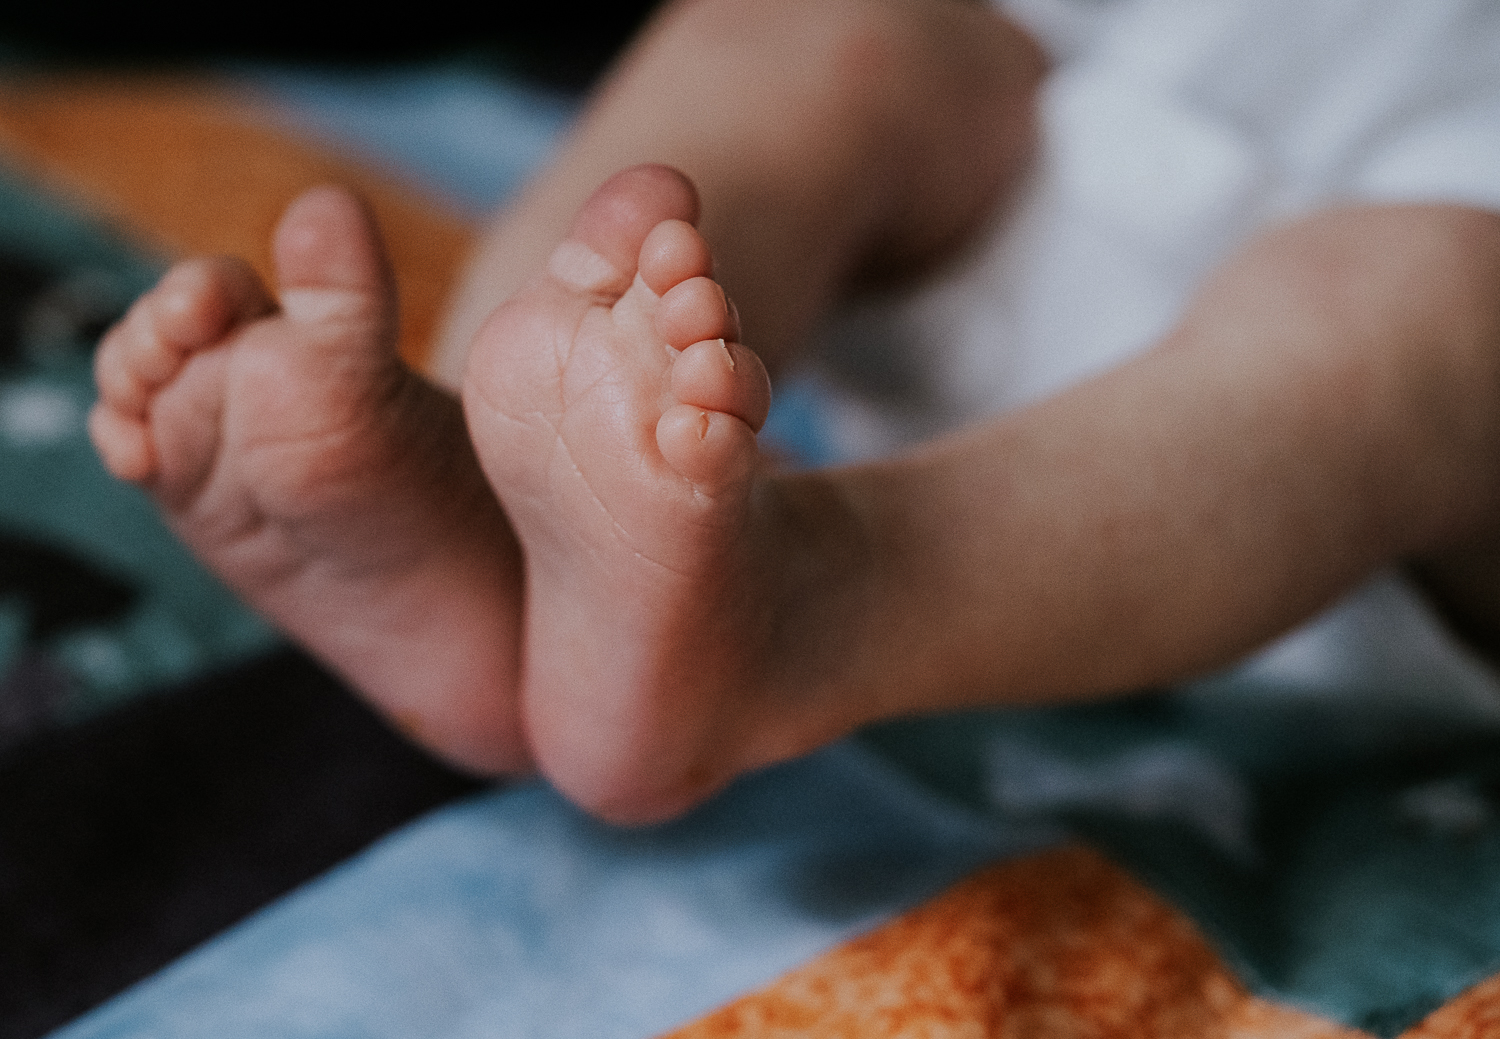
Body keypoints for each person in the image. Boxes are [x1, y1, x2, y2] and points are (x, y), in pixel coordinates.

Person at [87, 0, 1500, 824]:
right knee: (810, 30)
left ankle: (813, 597)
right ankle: (489, 509)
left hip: (1372, 461)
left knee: (1422, 305)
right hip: (1126, 83)